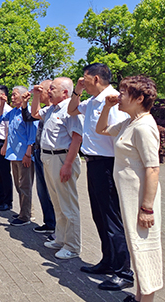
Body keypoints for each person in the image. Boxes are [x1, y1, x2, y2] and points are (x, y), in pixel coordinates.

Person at [67, 63, 134, 290]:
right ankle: (108, 261)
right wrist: (76, 91)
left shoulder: (112, 99)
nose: (82, 81)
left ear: (96, 78)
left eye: (84, 78)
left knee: (112, 218)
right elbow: (72, 110)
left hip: (108, 163)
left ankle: (123, 272)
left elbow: (119, 135)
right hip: (93, 163)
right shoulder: (93, 100)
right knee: (99, 215)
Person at [95, 75, 162, 302]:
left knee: (144, 249)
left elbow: (153, 168)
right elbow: (101, 129)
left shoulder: (143, 126)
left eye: (124, 93)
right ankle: (140, 296)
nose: (119, 96)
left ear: (140, 98)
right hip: (128, 197)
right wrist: (107, 106)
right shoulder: (130, 122)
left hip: (140, 199)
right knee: (136, 246)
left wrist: (147, 208)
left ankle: (147, 299)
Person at [30, 77, 83, 260]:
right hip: (49, 158)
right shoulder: (52, 109)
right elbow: (35, 113)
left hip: (62, 158)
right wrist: (35, 96)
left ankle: (72, 246)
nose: (49, 91)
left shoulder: (71, 110)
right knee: (57, 203)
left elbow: (77, 138)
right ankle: (60, 239)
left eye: (53, 88)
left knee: (68, 205)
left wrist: (67, 165)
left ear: (65, 92)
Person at [0, 86, 38, 226]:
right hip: (13, 154)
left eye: (15, 95)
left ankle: (25, 217)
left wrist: (28, 153)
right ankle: (26, 211)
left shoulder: (29, 113)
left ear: (23, 96)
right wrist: (2, 103)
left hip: (23, 155)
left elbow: (32, 134)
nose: (12, 97)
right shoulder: (13, 112)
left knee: (25, 186)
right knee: (19, 185)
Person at [21, 80, 56, 234]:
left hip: (53, 156)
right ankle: (49, 223)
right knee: (42, 191)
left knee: (52, 192)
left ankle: (57, 227)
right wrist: (28, 101)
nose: (38, 92)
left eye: (40, 89)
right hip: (40, 153)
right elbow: (29, 116)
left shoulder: (57, 109)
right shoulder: (45, 110)